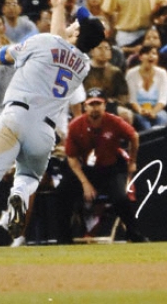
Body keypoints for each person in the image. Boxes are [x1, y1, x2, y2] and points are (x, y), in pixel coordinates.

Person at [0, 0, 105, 258]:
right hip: (44, 132)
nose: (72, 24)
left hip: (15, 116)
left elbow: (2, 55)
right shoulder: (83, 66)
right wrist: (58, 9)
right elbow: (59, 41)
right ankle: (19, 196)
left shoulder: (42, 41)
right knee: (28, 176)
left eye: (77, 25)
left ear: (78, 32)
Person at [55, 87, 142, 244]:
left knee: (121, 198)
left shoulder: (114, 121)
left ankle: (133, 233)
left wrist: (132, 162)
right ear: (85, 106)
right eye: (91, 104)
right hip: (86, 170)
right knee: (62, 192)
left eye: (98, 104)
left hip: (111, 168)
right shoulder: (76, 125)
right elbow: (72, 158)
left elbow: (134, 136)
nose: (95, 108)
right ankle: (64, 238)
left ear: (104, 105)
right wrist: (85, 183)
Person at [125, 45, 167, 130]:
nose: (151, 56)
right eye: (147, 53)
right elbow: (132, 99)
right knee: (144, 124)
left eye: (154, 53)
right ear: (140, 57)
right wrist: (141, 111)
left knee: (162, 118)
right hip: (138, 110)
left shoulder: (162, 73)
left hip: (157, 109)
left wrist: (153, 112)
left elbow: (163, 99)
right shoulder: (131, 74)